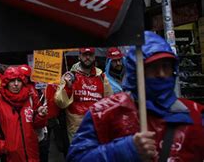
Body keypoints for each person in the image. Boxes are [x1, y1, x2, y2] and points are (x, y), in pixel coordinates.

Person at [67, 31, 204, 161]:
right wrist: (125, 150)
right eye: (153, 67)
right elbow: (77, 158)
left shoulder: (196, 115)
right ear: (136, 71)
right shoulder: (103, 113)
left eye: (166, 66)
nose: (161, 74)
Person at [0, 66, 48, 162]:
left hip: (32, 154)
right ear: (6, 82)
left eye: (19, 80)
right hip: (10, 157)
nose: (16, 84)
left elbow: (37, 125)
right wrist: (3, 146)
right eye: (12, 81)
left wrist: (41, 116)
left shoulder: (30, 98)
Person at [54, 47, 113, 143]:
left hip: (97, 127)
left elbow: (109, 102)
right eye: (85, 55)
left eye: (90, 55)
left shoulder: (102, 77)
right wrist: (68, 88)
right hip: (76, 130)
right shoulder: (69, 76)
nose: (87, 57)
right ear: (79, 56)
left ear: (94, 57)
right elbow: (60, 103)